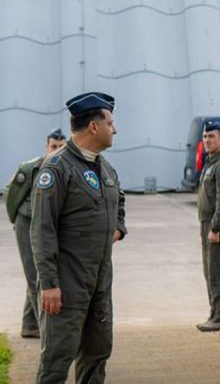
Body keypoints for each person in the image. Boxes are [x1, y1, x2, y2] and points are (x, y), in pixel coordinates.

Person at [30, 92, 127, 383]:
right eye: (110, 122)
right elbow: (42, 229)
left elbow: (118, 200)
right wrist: (49, 284)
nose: (115, 128)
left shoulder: (103, 165)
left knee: (97, 354)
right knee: (56, 360)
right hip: (66, 285)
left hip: (99, 282)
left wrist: (118, 228)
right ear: (94, 127)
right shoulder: (56, 168)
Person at [5, 128, 66, 339]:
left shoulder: (65, 168)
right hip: (27, 222)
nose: (56, 150)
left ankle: (29, 325)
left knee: (36, 276)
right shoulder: (31, 167)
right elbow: (10, 192)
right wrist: (17, 220)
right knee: (35, 278)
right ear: (46, 146)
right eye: (53, 146)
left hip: (47, 226)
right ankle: (47, 332)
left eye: (61, 147)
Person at [196, 120, 220, 331]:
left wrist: (215, 227)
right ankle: (214, 312)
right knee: (209, 271)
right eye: (205, 136)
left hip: (213, 225)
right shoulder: (211, 161)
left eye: (212, 136)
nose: (207, 140)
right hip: (205, 222)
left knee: (216, 271)